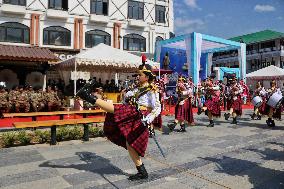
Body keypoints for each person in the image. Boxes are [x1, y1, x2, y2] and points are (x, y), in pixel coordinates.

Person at [77, 60, 161, 181]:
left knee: (116, 110)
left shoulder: (152, 90)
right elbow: (127, 100)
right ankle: (142, 172)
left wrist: (148, 119)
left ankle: (87, 96)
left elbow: (157, 108)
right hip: (133, 115)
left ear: (147, 77)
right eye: (137, 74)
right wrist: (126, 96)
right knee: (130, 144)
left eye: (140, 74)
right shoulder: (137, 89)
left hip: (140, 118)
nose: (138, 76)